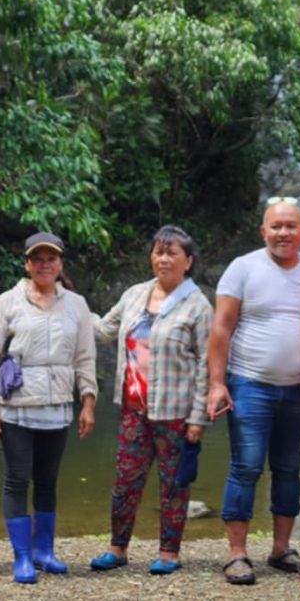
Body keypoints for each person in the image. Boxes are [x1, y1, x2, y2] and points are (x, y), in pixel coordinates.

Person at [206, 197, 300, 584]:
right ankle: (237, 554)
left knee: (289, 469)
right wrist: (217, 383)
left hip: (297, 390)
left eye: (291, 226)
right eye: (276, 226)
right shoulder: (242, 268)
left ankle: (280, 549)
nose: (283, 233)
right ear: (264, 231)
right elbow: (221, 328)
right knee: (246, 466)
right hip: (249, 383)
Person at [0, 233, 97, 584]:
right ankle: (23, 557)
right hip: (15, 406)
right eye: (37, 259)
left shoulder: (75, 304)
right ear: (27, 264)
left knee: (47, 480)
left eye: (51, 259)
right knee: (16, 479)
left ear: (60, 264)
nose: (45, 265)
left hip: (57, 406)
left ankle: (45, 551)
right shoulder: (7, 302)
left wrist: (88, 401)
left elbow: (85, 358)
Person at [90, 226, 212, 576]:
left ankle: (169, 552)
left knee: (174, 485)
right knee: (125, 481)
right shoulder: (134, 295)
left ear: (187, 261)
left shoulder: (198, 305)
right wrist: (70, 306)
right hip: (134, 408)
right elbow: (103, 331)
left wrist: (198, 418)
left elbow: (207, 362)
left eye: (172, 253)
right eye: (158, 252)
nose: (163, 259)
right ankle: (117, 547)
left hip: (176, 412)